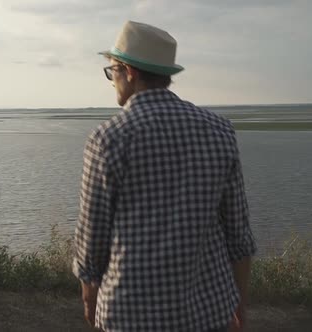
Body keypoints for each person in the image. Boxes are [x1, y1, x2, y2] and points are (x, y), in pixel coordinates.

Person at [72, 21, 257, 332]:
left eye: (112, 72)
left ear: (128, 71)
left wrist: (90, 296)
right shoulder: (220, 130)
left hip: (130, 315)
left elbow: (92, 239)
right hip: (208, 311)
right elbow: (238, 235)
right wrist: (237, 298)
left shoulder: (108, 140)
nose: (112, 81)